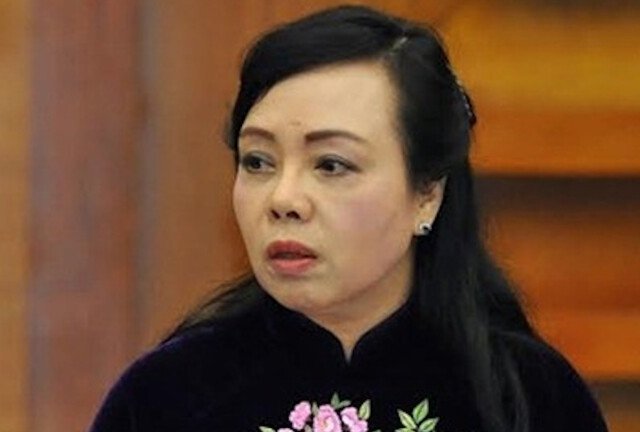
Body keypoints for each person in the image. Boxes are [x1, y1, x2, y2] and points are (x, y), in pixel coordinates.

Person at [89, 5, 608, 432]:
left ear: (427, 194)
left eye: (331, 165)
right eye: (258, 162)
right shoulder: (165, 397)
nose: (284, 199)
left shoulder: (531, 399)